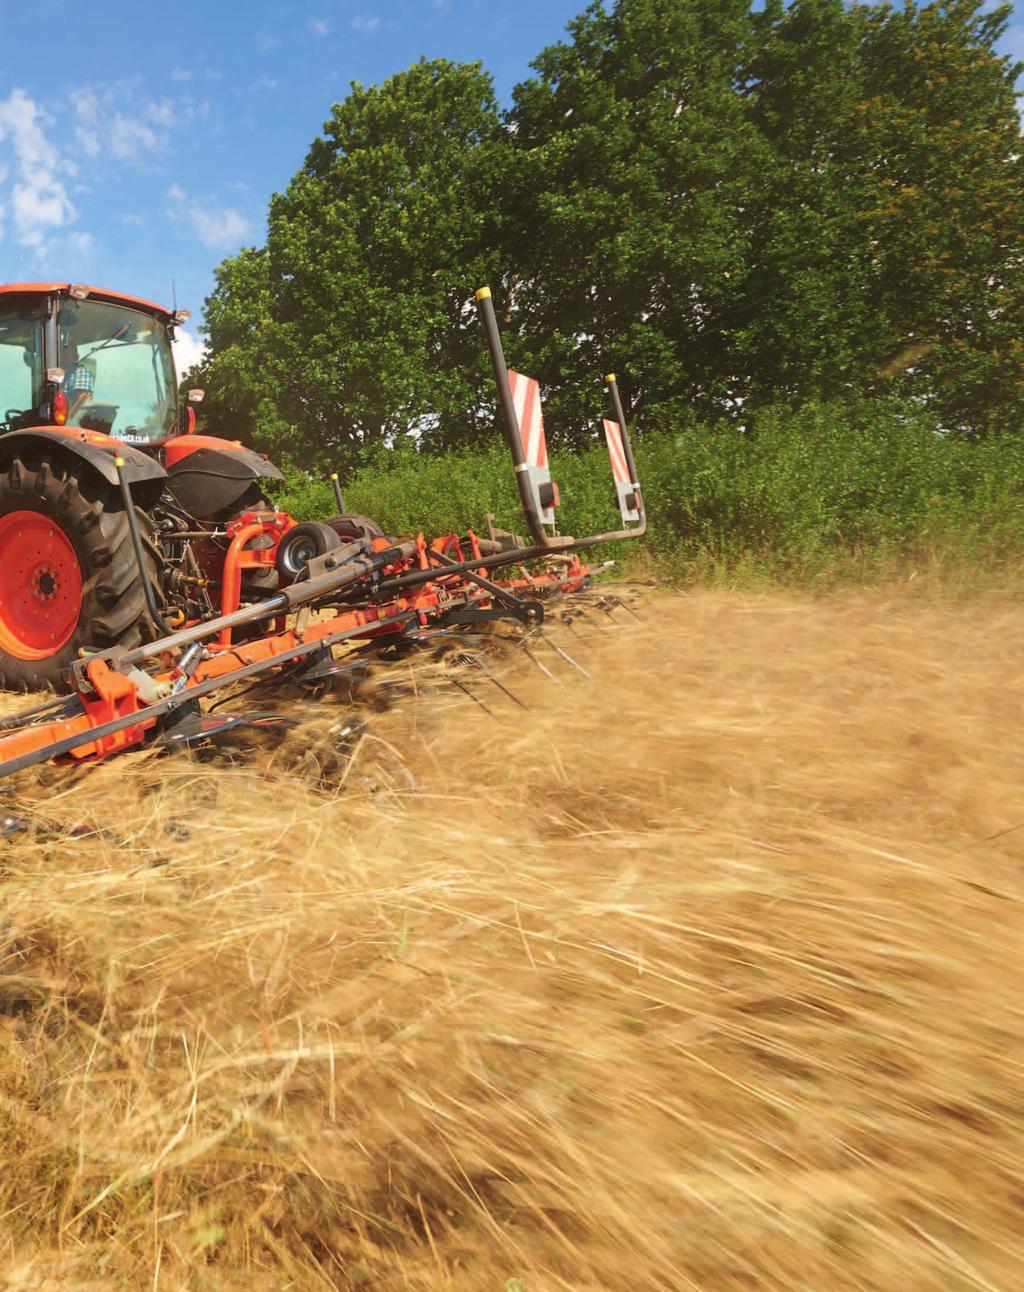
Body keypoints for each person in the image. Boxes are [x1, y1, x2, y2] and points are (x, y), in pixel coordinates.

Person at [62, 343, 97, 423]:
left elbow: (81, 400)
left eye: (66, 356)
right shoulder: (63, 376)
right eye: (61, 355)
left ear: (76, 358)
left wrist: (66, 422)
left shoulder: (80, 372)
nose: (62, 358)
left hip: (73, 425)